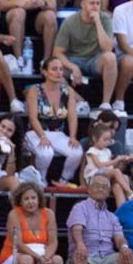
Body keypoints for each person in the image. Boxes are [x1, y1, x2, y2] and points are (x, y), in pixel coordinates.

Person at [68, 173, 133, 264]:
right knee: (78, 258)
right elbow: (77, 228)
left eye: (104, 187)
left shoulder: (112, 216)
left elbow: (119, 237)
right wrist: (80, 244)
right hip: (87, 255)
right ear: (89, 189)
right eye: (97, 185)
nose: (100, 189)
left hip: (107, 256)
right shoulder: (80, 208)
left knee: (131, 257)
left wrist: (124, 247)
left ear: (108, 192)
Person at [25, 58, 83, 186]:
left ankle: (64, 180)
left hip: (57, 133)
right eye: (54, 69)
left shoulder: (68, 91)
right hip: (36, 131)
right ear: (45, 72)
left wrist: (73, 136)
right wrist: (42, 136)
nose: (58, 72)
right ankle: (40, 178)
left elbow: (72, 116)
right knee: (46, 152)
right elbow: (33, 117)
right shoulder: (35, 90)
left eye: (61, 69)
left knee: (77, 151)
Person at [0, 182, 62, 264]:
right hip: (14, 255)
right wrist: (38, 258)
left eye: (33, 198)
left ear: (39, 199)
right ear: (20, 201)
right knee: (27, 260)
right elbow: (17, 243)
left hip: (42, 256)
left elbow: (53, 242)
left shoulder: (49, 214)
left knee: (57, 260)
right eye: (26, 199)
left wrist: (46, 258)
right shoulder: (14, 214)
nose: (31, 202)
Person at [0, 0, 58, 67]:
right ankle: (19, 60)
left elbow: (52, 5)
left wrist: (43, 3)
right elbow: (0, 4)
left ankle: (46, 61)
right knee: (19, 13)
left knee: (50, 16)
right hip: (12, 12)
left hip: (37, 14)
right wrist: (20, 3)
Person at [83, 121, 133, 207]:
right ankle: (129, 192)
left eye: (109, 140)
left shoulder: (107, 151)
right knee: (116, 172)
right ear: (94, 139)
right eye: (104, 140)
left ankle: (125, 209)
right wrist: (116, 160)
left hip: (105, 175)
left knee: (123, 179)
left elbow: (111, 167)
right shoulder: (92, 151)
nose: (107, 142)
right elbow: (100, 165)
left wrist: (124, 160)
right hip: (94, 177)